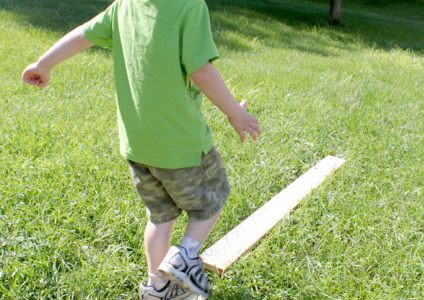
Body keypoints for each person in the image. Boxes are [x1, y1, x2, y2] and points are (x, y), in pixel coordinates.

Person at [22, 0, 261, 299]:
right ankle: (186, 256)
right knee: (214, 193)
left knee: (160, 216)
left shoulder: (124, 6)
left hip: (138, 148)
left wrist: (43, 64)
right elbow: (201, 70)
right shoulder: (189, 7)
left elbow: (83, 34)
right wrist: (234, 113)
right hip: (181, 145)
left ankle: (156, 286)